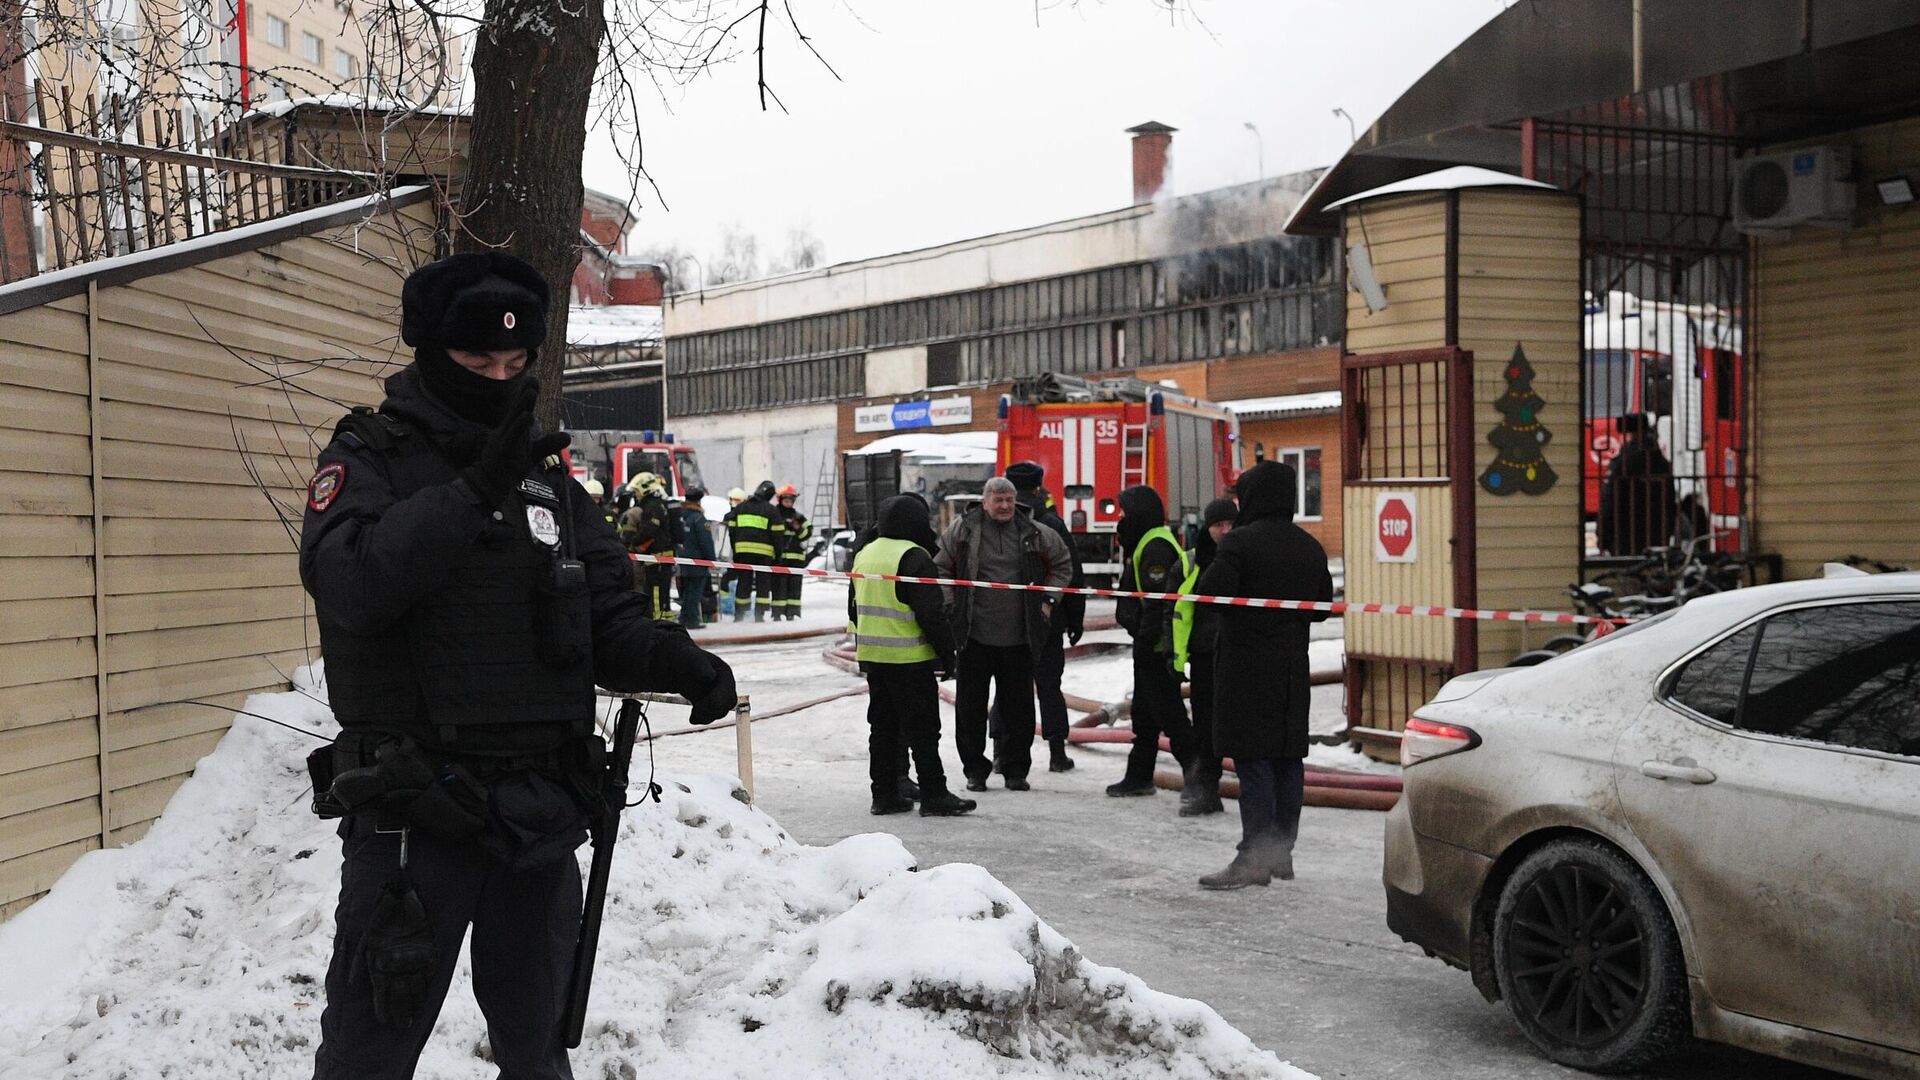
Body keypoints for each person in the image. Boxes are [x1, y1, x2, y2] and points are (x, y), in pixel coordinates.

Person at [298, 250, 737, 1079]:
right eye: (475, 361)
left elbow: (605, 615)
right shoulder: (371, 455)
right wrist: (470, 491)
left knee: (538, 1051)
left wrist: (678, 661)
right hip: (417, 811)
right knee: (368, 1053)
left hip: (536, 810)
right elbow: (353, 586)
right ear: (432, 354)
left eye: (514, 363)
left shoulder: (546, 485)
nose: (498, 378)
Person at [1192, 461, 1332, 889]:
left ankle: (1254, 858)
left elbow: (1208, 594)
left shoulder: (1239, 543)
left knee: (1254, 760)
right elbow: (1323, 607)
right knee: (1288, 758)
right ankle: (1280, 854)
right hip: (1292, 668)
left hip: (1246, 668)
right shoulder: (1309, 546)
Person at [934, 476, 1072, 791]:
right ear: (985, 502)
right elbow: (940, 567)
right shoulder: (963, 530)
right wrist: (951, 603)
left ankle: (1015, 770)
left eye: (1009, 500)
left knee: (1020, 708)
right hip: (974, 636)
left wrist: (1049, 601)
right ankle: (975, 771)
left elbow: (1063, 564)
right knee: (970, 708)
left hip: (1020, 637)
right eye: (998, 500)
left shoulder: (1034, 532)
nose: (1005, 505)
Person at [850, 495, 977, 818]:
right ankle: (934, 794)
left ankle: (884, 795)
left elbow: (853, 606)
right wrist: (948, 656)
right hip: (910, 659)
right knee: (923, 730)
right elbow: (931, 614)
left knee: (883, 730)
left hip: (874, 657)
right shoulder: (914, 556)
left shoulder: (865, 554)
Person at [988, 461, 1085, 773]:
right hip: (1047, 618)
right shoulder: (1051, 524)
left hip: (1005, 620)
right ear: (1038, 487)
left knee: (1006, 686)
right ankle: (1057, 753)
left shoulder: (993, 524)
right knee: (1048, 685)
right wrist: (1075, 618)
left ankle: (1000, 753)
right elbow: (1071, 572)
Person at [1107, 485, 1199, 799]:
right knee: (1145, 717)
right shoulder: (1147, 541)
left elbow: (1158, 604)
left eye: (1124, 513)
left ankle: (1199, 780)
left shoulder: (1156, 546)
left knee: (1171, 716)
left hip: (1157, 648)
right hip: (1148, 644)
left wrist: (1148, 642)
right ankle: (1139, 776)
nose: (1120, 520)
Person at [1174, 497, 1237, 816]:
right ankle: (1207, 790)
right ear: (1208, 527)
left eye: (1230, 524)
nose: (1225, 531)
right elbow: (1175, 609)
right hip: (1202, 654)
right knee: (1205, 728)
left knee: (1235, 725)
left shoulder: (1244, 555)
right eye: (1218, 525)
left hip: (1236, 654)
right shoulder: (1193, 561)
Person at [1597, 414, 1676, 556]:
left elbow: (1609, 502)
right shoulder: (1661, 462)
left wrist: (1602, 539)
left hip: (1626, 537)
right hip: (1656, 536)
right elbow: (1671, 502)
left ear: (1626, 434)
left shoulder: (1621, 464)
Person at [722, 481, 784, 622]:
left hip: (742, 553)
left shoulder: (741, 507)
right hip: (764, 555)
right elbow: (778, 535)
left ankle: (739, 615)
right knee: (763, 585)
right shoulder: (771, 510)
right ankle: (759, 615)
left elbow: (731, 529)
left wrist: (736, 549)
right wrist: (778, 555)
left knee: (744, 583)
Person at [616, 472, 674, 616]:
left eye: (636, 491)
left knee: (655, 590)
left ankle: (657, 619)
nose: (636, 495)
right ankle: (662, 617)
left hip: (657, 557)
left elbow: (649, 530)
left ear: (644, 489)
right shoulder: (657, 503)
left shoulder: (652, 506)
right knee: (661, 590)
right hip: (659, 555)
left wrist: (633, 542)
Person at [674, 486, 715, 630]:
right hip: (698, 561)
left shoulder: (681, 516)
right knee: (694, 592)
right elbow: (706, 541)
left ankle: (684, 618)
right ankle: (692, 620)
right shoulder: (699, 518)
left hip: (682, 559)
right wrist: (711, 560)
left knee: (686, 592)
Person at [774, 484, 811, 621]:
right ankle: (777, 613)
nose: (788, 503)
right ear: (780, 500)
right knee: (779, 586)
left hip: (796, 559)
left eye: (791, 500)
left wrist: (797, 528)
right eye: (786, 500)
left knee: (795, 587)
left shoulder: (799, 517)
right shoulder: (774, 514)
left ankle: (793, 612)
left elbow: (807, 533)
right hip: (779, 559)